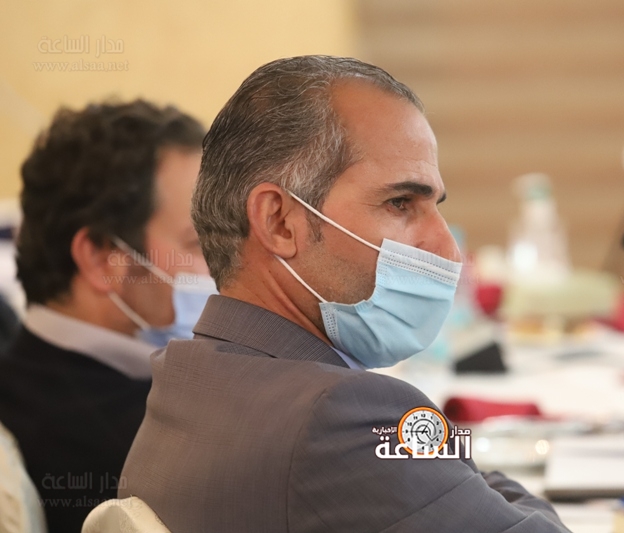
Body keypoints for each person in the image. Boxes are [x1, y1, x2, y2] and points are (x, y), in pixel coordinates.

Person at [119, 56, 569, 532]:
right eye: (400, 203)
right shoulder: (343, 415)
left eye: (434, 206)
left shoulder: (187, 378)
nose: (447, 250)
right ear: (279, 222)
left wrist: (449, 471)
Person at [0, 100, 212, 533]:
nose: (226, 264)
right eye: (199, 242)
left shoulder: (20, 371)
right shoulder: (139, 450)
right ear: (100, 257)